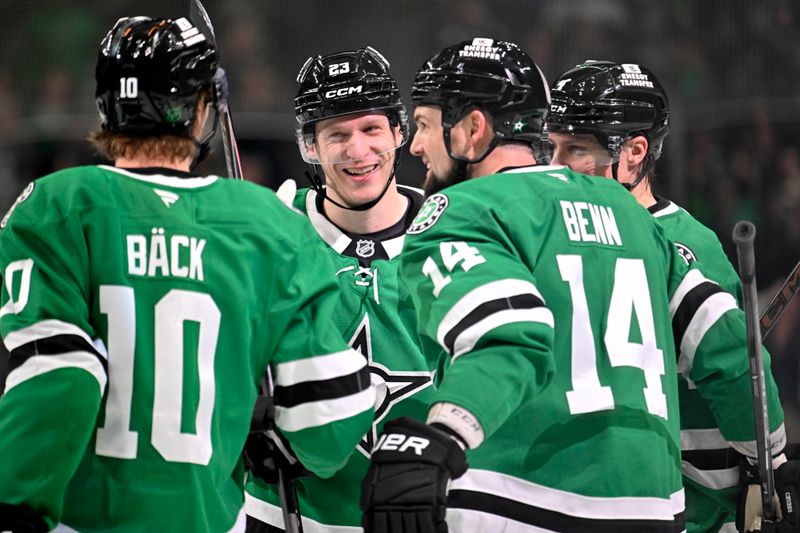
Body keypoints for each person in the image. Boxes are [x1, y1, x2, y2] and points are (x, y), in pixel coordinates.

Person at [359, 38, 788, 533]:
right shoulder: (630, 212)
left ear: (473, 130)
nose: (414, 145)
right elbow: (729, 347)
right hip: (654, 506)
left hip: (516, 497)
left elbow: (508, 337)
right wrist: (772, 461)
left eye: (427, 125)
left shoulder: (460, 210)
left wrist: (438, 441)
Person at [0, 17, 374, 532]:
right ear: (202, 109)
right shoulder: (268, 222)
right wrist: (276, 435)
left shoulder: (58, 206)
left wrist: (18, 505)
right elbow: (332, 416)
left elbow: (60, 375)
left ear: (107, 104)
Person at [544, 60, 797, 533]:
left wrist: (771, 460)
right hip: (588, 490)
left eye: (575, 149)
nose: (555, 168)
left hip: (688, 502)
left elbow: (736, 368)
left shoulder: (684, 244)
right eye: (551, 148)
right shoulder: (563, 232)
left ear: (636, 151)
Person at [244, 47, 434, 532]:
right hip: (285, 515)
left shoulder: (454, 231)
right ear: (311, 146)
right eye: (336, 134)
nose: (357, 150)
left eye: (371, 129)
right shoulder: (272, 230)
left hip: (428, 514)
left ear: (399, 132)